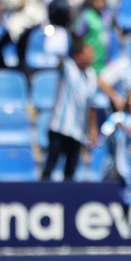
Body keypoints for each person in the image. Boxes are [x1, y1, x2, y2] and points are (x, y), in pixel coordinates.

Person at [43, 37, 97, 181]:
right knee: (51, 164)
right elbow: (58, 59)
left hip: (78, 130)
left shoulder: (91, 75)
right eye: (88, 53)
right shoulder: (68, 67)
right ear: (78, 55)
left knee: (71, 169)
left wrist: (93, 129)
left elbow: (91, 105)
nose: (92, 56)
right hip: (59, 127)